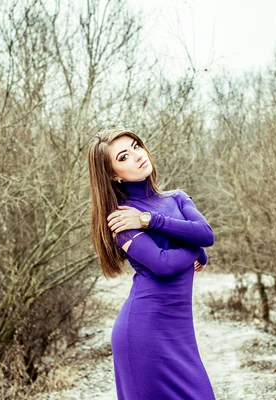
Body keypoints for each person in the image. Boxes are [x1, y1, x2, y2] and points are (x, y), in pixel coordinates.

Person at [87, 128, 216, 399]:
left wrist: (149, 220)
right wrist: (195, 249)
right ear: (113, 175)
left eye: (136, 146)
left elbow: (206, 234)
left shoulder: (177, 198)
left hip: (180, 332)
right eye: (123, 157)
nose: (136, 155)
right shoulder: (121, 218)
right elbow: (163, 264)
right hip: (143, 333)